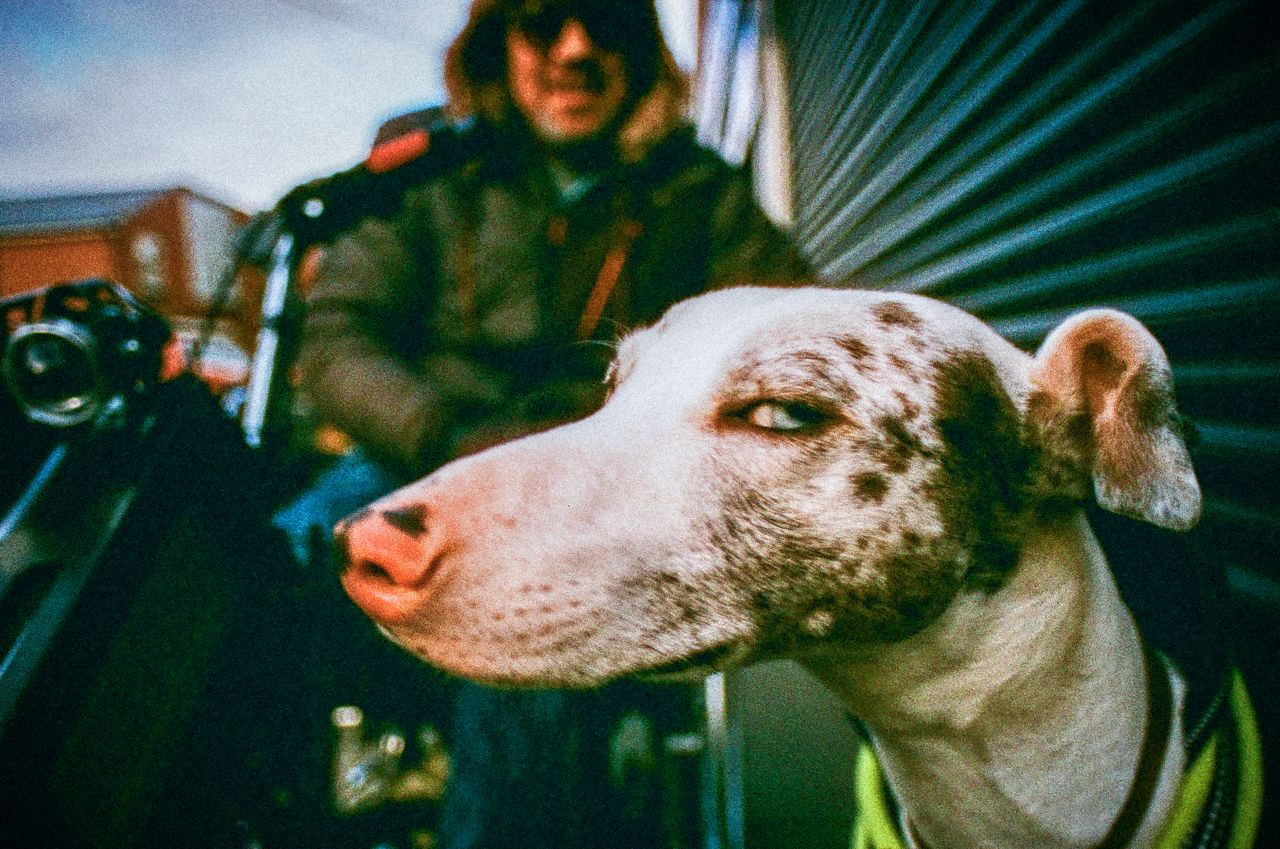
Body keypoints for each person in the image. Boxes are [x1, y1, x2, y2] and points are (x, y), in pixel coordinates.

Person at [274, 0, 810, 846]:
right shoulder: (428, 168)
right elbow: (339, 338)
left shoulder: (697, 188)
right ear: (498, 43)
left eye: (606, 22)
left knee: (528, 615)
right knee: (277, 551)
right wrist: (448, 436)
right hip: (417, 454)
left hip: (596, 474)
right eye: (542, 21)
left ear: (641, 49)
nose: (575, 49)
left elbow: (792, 325)